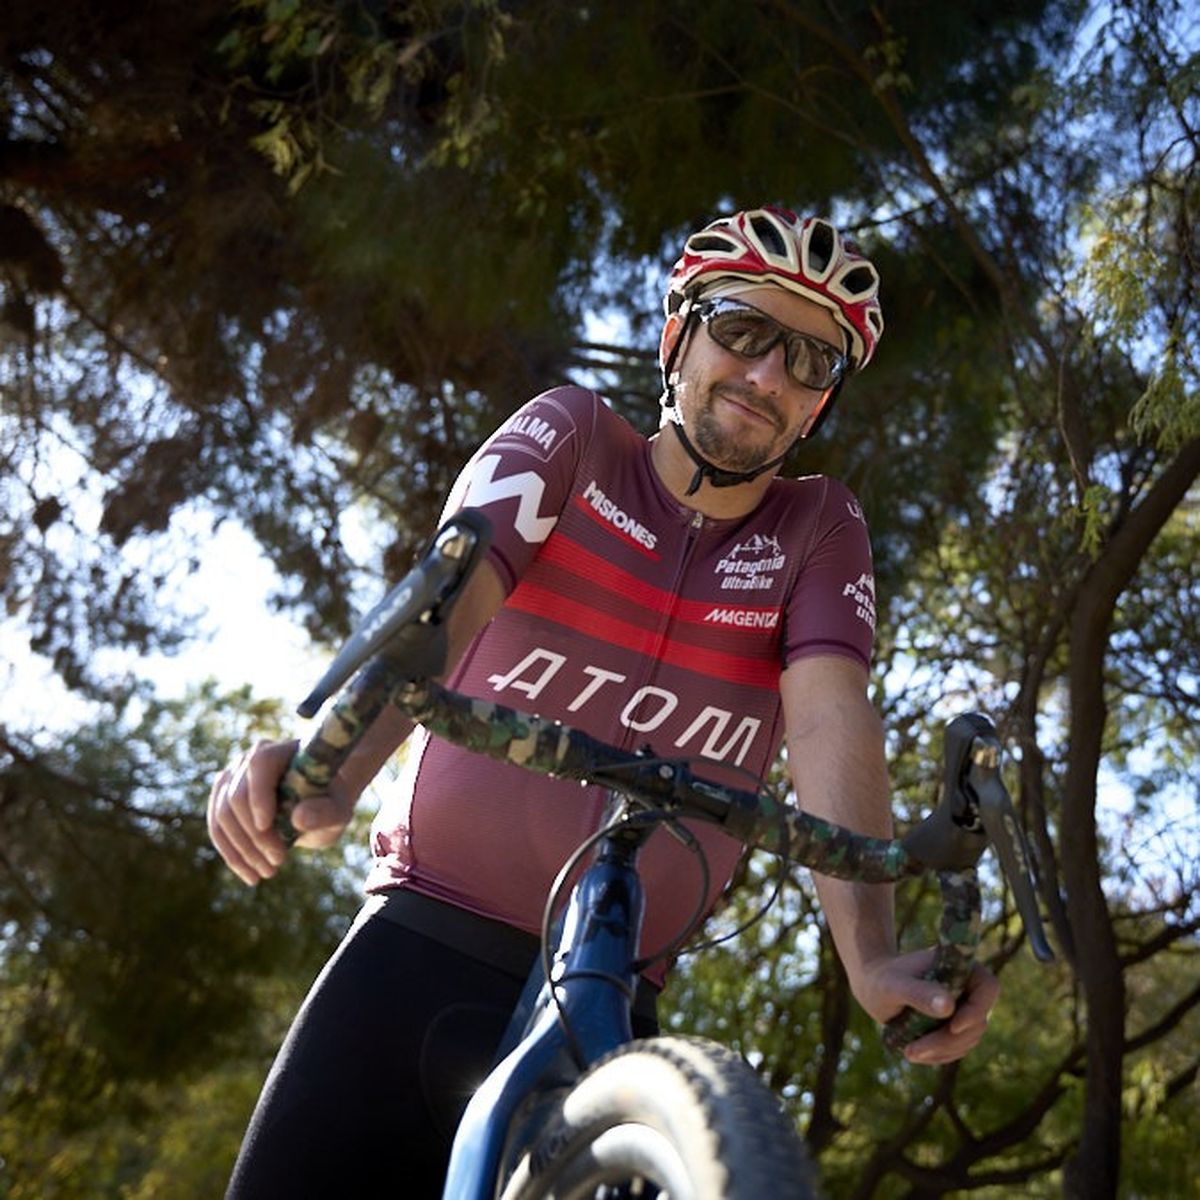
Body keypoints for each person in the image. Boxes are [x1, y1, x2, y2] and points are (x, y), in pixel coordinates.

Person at [208, 207, 1000, 1197]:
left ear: (819, 407)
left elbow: (828, 712)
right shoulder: (575, 437)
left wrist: (872, 961)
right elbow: (450, 596)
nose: (766, 377)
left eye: (807, 361)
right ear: (679, 336)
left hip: (615, 995)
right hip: (422, 944)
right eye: (744, 332)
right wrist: (332, 765)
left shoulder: (818, 528)